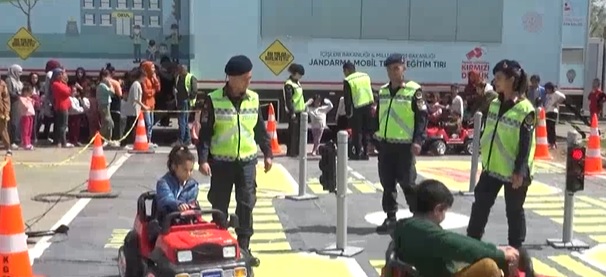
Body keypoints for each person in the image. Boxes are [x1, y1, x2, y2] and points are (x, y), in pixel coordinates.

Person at [197, 55, 273, 266]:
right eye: (246, 78)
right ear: (232, 79)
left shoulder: (254, 99)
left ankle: (244, 248)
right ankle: (220, 245)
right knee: (219, 204)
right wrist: (202, 159)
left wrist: (267, 153)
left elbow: (259, 129)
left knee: (246, 203)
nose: (249, 82)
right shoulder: (213, 100)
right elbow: (205, 133)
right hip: (221, 163)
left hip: (247, 162)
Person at [467, 59, 535, 249]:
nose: (494, 81)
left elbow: (526, 144)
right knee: (480, 206)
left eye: (499, 78)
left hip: (514, 171)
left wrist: (520, 171)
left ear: (512, 80)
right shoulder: (495, 102)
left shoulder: (525, 109)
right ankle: (471, 244)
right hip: (492, 167)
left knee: (514, 211)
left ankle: (516, 250)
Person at [392, 179, 519, 277]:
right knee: (488, 267)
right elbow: (458, 245)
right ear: (438, 209)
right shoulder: (424, 232)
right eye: (445, 211)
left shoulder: (407, 227)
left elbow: (458, 244)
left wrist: (494, 249)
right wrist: (499, 255)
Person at [375, 54, 428, 233]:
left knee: (408, 184)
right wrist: (374, 137)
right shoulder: (382, 91)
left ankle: (418, 218)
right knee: (387, 183)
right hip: (386, 145)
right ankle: (390, 217)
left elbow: (422, 118)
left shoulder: (414, 90)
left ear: (404, 69)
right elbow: (378, 117)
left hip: (405, 146)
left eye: (396, 68)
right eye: (389, 69)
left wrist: (418, 141)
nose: (392, 72)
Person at [156, 145, 199, 217]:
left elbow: (192, 202)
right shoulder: (163, 183)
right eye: (185, 170)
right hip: (166, 219)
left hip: (186, 219)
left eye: (191, 170)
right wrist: (179, 204)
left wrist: (193, 206)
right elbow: (167, 198)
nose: (188, 174)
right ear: (174, 167)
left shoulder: (193, 185)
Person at [343, 62, 374, 160]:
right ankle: (366, 152)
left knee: (357, 132)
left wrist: (348, 113)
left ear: (347, 70)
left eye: (344, 71)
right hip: (368, 105)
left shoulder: (348, 80)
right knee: (366, 130)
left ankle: (357, 153)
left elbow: (347, 98)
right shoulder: (365, 76)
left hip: (357, 107)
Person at [283, 63, 306, 157]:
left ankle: (296, 151)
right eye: (300, 74)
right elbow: (289, 100)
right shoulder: (289, 84)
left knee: (298, 133)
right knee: (293, 133)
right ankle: (291, 152)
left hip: (300, 111)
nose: (301, 76)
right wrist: (292, 112)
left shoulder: (297, 82)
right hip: (294, 112)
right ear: (295, 73)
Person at [122, 68, 148, 146]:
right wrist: (144, 106)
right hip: (133, 111)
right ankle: (124, 142)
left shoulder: (136, 84)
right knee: (130, 127)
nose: (145, 79)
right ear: (141, 76)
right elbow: (136, 99)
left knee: (131, 127)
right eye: (144, 77)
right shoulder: (136, 84)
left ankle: (128, 142)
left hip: (134, 110)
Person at [175, 64, 198, 146]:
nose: (179, 71)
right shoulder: (179, 77)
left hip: (186, 102)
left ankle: (181, 140)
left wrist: (189, 99)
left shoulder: (191, 77)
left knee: (182, 121)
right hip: (180, 101)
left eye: (180, 70)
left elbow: (194, 90)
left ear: (184, 70)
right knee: (184, 121)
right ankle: (187, 140)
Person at [51, 68, 73, 148]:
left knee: (62, 124)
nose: (61, 76)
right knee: (63, 125)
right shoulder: (55, 84)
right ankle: (63, 142)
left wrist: (66, 84)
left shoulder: (62, 83)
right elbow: (67, 92)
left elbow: (67, 90)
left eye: (61, 74)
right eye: (59, 74)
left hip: (64, 106)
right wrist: (69, 89)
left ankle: (59, 141)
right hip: (61, 106)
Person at [141, 61, 160, 147]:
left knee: (151, 123)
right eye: (152, 68)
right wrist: (153, 91)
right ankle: (146, 139)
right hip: (146, 104)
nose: (153, 70)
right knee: (147, 123)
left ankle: (149, 140)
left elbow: (158, 88)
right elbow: (146, 92)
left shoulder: (152, 78)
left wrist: (155, 79)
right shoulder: (144, 79)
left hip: (152, 103)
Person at [544, 82, 566, 149]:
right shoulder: (547, 95)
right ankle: (550, 142)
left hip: (553, 112)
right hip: (547, 111)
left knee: (551, 128)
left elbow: (563, 97)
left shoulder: (555, 93)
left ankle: (553, 143)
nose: (547, 90)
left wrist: (557, 102)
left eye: (548, 89)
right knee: (547, 128)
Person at [5, 64, 23, 149]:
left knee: (18, 122)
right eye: (19, 72)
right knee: (13, 123)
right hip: (12, 104)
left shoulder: (18, 80)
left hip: (18, 103)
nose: (20, 74)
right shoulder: (9, 80)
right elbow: (9, 92)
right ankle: (12, 141)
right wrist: (17, 96)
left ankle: (17, 140)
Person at [97, 69, 116, 146]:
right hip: (104, 106)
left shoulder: (103, 85)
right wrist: (110, 84)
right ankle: (101, 138)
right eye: (108, 77)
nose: (109, 79)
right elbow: (112, 92)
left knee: (109, 123)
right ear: (103, 77)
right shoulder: (102, 86)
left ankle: (108, 139)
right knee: (107, 122)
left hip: (106, 105)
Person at [18, 85, 35, 150]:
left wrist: (32, 101)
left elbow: (31, 106)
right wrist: (28, 100)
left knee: (29, 130)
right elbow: (25, 107)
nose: (30, 94)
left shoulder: (28, 99)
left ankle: (28, 142)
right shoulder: (22, 98)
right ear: (25, 92)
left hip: (30, 116)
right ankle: (25, 143)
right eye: (29, 92)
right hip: (25, 116)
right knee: (25, 130)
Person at [0, 80, 10, 154]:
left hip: (1, 111)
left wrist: (6, 111)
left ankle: (7, 148)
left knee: (3, 130)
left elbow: (6, 99)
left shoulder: (2, 84)